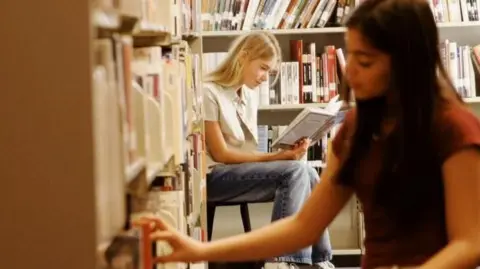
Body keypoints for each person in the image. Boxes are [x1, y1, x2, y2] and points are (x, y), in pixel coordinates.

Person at [141, 0, 480, 268]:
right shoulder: (355, 131)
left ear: (406, 63)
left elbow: (471, 242)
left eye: (364, 62)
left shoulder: (454, 129)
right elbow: (303, 226)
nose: (350, 75)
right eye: (351, 59)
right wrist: (200, 251)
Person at [200, 31, 334, 269]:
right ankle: (284, 260)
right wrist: (277, 157)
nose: (264, 77)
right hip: (214, 177)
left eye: (269, 72)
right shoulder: (208, 92)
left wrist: (286, 150)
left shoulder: (249, 96)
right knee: (293, 172)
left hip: (241, 172)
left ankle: (319, 260)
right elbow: (221, 154)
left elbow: (250, 151)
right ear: (242, 56)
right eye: (262, 68)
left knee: (308, 173)